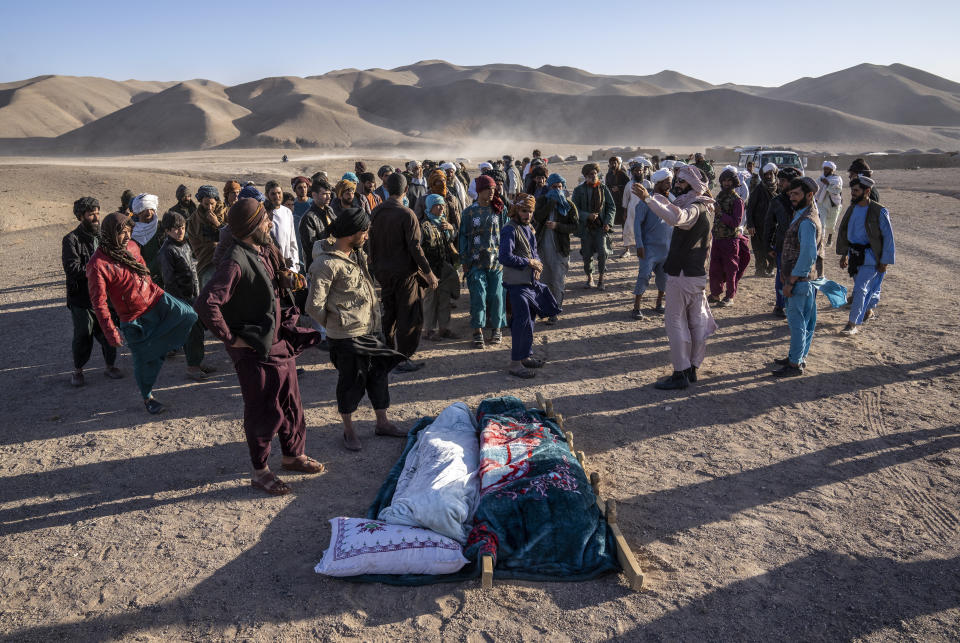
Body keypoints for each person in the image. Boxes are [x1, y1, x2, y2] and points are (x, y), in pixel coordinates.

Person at [195, 198, 325, 494]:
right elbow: (206, 303)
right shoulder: (235, 260)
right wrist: (231, 338)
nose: (270, 223)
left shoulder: (265, 249)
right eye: (265, 219)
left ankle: (293, 455)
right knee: (264, 409)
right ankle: (260, 471)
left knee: (291, 402)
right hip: (255, 349)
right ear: (253, 225)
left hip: (279, 340)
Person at [306, 208, 408, 451]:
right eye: (364, 232)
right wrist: (337, 322)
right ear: (352, 233)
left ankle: (382, 422)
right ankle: (348, 431)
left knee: (378, 376)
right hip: (347, 337)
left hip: (370, 328)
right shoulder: (326, 263)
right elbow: (313, 306)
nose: (367, 236)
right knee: (351, 382)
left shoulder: (355, 254)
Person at [86, 213, 197, 413]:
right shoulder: (98, 265)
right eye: (122, 232)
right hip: (133, 316)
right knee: (143, 362)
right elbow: (99, 302)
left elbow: (144, 270)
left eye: (129, 230)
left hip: (155, 298)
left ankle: (155, 349)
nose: (127, 235)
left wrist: (153, 287)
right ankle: (148, 398)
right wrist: (111, 331)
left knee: (188, 314)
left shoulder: (132, 247)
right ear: (110, 233)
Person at [635, 165, 718, 390]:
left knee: (676, 323)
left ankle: (681, 372)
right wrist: (655, 199)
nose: (677, 186)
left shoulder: (694, 209)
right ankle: (691, 369)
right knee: (696, 323)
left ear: (692, 185)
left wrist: (648, 200)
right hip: (695, 274)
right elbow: (672, 207)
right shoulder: (703, 206)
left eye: (681, 182)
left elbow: (677, 218)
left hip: (682, 275)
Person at [368, 172, 438, 371]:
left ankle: (388, 354)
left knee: (389, 313)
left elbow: (371, 243)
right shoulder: (407, 214)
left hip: (383, 273)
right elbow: (415, 247)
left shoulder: (377, 211)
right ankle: (403, 357)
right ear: (406, 190)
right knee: (409, 315)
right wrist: (429, 272)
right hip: (405, 274)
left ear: (387, 188)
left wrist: (375, 267)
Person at [62, 197, 123, 386]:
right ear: (81, 217)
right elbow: (72, 268)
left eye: (97, 213)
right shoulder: (71, 240)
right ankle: (78, 371)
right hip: (82, 298)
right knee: (83, 335)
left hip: (104, 296)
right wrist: (98, 272)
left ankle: (110, 366)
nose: (96, 217)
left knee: (108, 330)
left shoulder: (103, 237)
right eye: (91, 214)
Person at [499, 194, 559, 379]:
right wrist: (529, 262)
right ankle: (515, 364)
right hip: (516, 284)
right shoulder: (509, 229)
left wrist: (537, 265)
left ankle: (525, 356)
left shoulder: (528, 228)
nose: (528, 215)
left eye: (531, 211)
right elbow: (505, 257)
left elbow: (534, 253)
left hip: (530, 282)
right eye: (524, 211)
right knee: (521, 322)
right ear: (516, 209)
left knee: (530, 321)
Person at [773, 177, 824, 377]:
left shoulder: (807, 222)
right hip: (806, 280)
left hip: (799, 282)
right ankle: (797, 356)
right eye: (790, 194)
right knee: (806, 323)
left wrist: (791, 280)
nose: (792, 197)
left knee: (797, 324)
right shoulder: (805, 214)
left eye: (796, 194)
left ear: (809, 195)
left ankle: (794, 364)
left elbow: (808, 254)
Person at [158, 212, 214, 381]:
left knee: (198, 331)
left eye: (182, 227)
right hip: (181, 299)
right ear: (167, 230)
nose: (180, 231)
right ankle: (192, 368)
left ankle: (197, 362)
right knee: (191, 332)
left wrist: (197, 294)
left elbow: (192, 270)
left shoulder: (185, 245)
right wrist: (183, 302)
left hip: (192, 296)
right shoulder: (167, 251)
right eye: (175, 228)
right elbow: (169, 280)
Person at [836, 176, 895, 336]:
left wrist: (885, 261)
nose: (853, 194)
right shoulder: (852, 209)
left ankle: (852, 324)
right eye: (852, 190)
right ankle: (868, 310)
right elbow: (845, 232)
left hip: (870, 257)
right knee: (862, 289)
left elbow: (888, 237)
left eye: (856, 191)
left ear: (867, 191)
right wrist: (844, 255)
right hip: (855, 256)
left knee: (860, 289)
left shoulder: (879, 210)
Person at [459, 174, 507, 348]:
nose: (492, 192)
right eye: (489, 189)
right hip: (475, 261)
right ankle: (477, 331)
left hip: (497, 262)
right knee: (478, 296)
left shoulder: (500, 210)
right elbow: (463, 237)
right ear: (479, 191)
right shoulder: (469, 212)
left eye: (494, 189)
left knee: (496, 296)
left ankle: (497, 329)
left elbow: (506, 233)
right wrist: (464, 261)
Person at [532, 173, 579, 325]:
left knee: (558, 281)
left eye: (560, 187)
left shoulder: (569, 205)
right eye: (554, 187)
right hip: (542, 249)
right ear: (549, 187)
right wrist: (551, 203)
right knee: (545, 281)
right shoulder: (542, 201)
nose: (557, 190)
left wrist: (558, 226)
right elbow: (538, 217)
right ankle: (547, 308)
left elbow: (575, 226)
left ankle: (555, 310)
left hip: (560, 250)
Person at [631, 168, 674, 319]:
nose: (670, 185)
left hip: (666, 248)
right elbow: (637, 224)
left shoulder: (671, 200)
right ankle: (636, 307)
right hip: (649, 248)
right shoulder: (646, 201)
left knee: (664, 278)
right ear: (659, 183)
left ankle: (658, 303)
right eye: (667, 183)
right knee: (644, 276)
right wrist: (639, 245)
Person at [419, 194, 460, 341]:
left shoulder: (443, 222)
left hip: (444, 267)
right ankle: (428, 331)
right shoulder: (423, 226)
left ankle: (444, 329)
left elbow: (450, 240)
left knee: (444, 298)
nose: (442, 207)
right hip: (430, 269)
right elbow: (418, 249)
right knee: (430, 299)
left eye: (443, 205)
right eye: (438, 205)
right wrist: (425, 272)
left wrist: (450, 228)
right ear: (430, 207)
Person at [708, 167, 750, 307]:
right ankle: (715, 294)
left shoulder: (738, 201)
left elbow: (736, 222)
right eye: (724, 181)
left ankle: (730, 296)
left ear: (734, 182)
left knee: (730, 269)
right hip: (718, 239)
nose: (726, 183)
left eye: (729, 181)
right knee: (715, 268)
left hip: (730, 240)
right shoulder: (720, 196)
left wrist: (720, 213)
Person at [572, 163, 616, 291]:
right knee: (587, 254)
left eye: (595, 173)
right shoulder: (578, 190)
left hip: (601, 227)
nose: (593, 176)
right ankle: (590, 278)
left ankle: (601, 279)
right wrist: (587, 216)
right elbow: (574, 209)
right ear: (585, 176)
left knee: (603, 252)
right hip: (586, 228)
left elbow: (611, 207)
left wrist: (608, 222)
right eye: (590, 174)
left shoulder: (603, 188)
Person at [765, 168, 802, 317]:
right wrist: (768, 245)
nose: (780, 183)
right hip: (782, 246)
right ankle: (780, 305)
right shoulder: (776, 201)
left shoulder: (804, 201)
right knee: (782, 276)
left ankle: (795, 306)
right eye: (779, 180)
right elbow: (769, 224)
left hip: (801, 246)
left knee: (800, 278)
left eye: (783, 181)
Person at [187, 185, 226, 288]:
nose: (209, 207)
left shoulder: (226, 213)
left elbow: (233, 234)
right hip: (206, 263)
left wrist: (217, 224)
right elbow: (195, 244)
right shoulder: (194, 220)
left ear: (217, 201)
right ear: (200, 202)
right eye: (206, 204)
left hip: (227, 262)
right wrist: (212, 247)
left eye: (212, 204)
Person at [746, 163, 778, 277]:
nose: (769, 176)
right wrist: (750, 225)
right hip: (758, 225)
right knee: (759, 249)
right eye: (766, 174)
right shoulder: (758, 189)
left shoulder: (778, 188)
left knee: (772, 248)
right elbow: (750, 208)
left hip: (774, 225)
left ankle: (770, 268)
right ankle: (760, 270)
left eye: (770, 174)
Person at [298, 177, 335, 273]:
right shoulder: (308, 218)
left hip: (333, 263)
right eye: (324, 194)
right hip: (318, 267)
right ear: (314, 195)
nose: (328, 197)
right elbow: (312, 247)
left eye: (329, 194)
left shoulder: (329, 210)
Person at [265, 180, 301, 274]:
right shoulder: (263, 213)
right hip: (270, 265)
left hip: (288, 266)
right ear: (266, 195)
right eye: (273, 194)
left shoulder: (287, 212)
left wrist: (295, 265)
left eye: (279, 193)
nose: (277, 196)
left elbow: (292, 241)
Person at [130, 194, 164, 285]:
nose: (149, 212)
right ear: (138, 212)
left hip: (164, 277)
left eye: (151, 209)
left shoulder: (162, 228)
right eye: (145, 209)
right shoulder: (132, 233)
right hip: (143, 279)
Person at [816, 161, 843, 246]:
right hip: (822, 203)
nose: (825, 171)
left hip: (833, 204)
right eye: (824, 169)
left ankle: (830, 238)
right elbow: (816, 187)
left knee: (832, 224)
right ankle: (821, 241)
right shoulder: (821, 178)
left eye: (827, 169)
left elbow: (837, 190)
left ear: (832, 170)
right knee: (822, 223)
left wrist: (828, 184)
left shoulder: (837, 179)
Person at [605, 156, 630, 230]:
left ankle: (624, 234)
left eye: (614, 163)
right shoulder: (608, 175)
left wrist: (619, 188)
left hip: (622, 199)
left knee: (623, 218)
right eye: (611, 163)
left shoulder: (622, 173)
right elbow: (607, 186)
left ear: (618, 164)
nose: (613, 165)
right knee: (611, 217)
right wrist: (611, 189)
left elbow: (628, 185)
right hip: (612, 199)